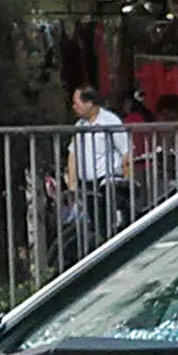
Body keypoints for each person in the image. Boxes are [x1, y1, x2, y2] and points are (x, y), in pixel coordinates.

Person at [68, 84, 132, 244]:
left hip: (108, 183)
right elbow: (73, 153)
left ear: (89, 103)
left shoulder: (110, 121)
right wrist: (72, 183)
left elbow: (126, 152)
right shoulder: (80, 126)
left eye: (77, 102)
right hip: (87, 185)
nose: (74, 106)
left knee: (112, 227)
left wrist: (127, 181)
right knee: (97, 229)